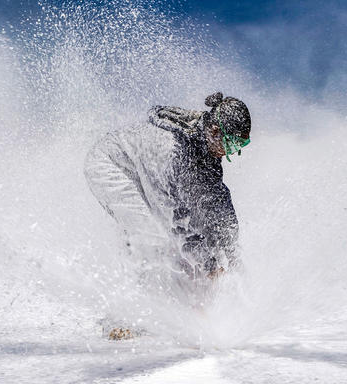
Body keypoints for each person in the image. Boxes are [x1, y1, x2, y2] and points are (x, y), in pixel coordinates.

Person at [84, 92, 251, 282]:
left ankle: (189, 286)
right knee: (153, 238)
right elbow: (171, 214)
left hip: (143, 170)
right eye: (232, 144)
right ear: (214, 130)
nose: (233, 151)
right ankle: (137, 296)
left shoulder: (205, 142)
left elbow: (216, 200)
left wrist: (233, 255)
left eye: (241, 145)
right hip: (110, 165)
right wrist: (210, 266)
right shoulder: (170, 151)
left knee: (196, 235)